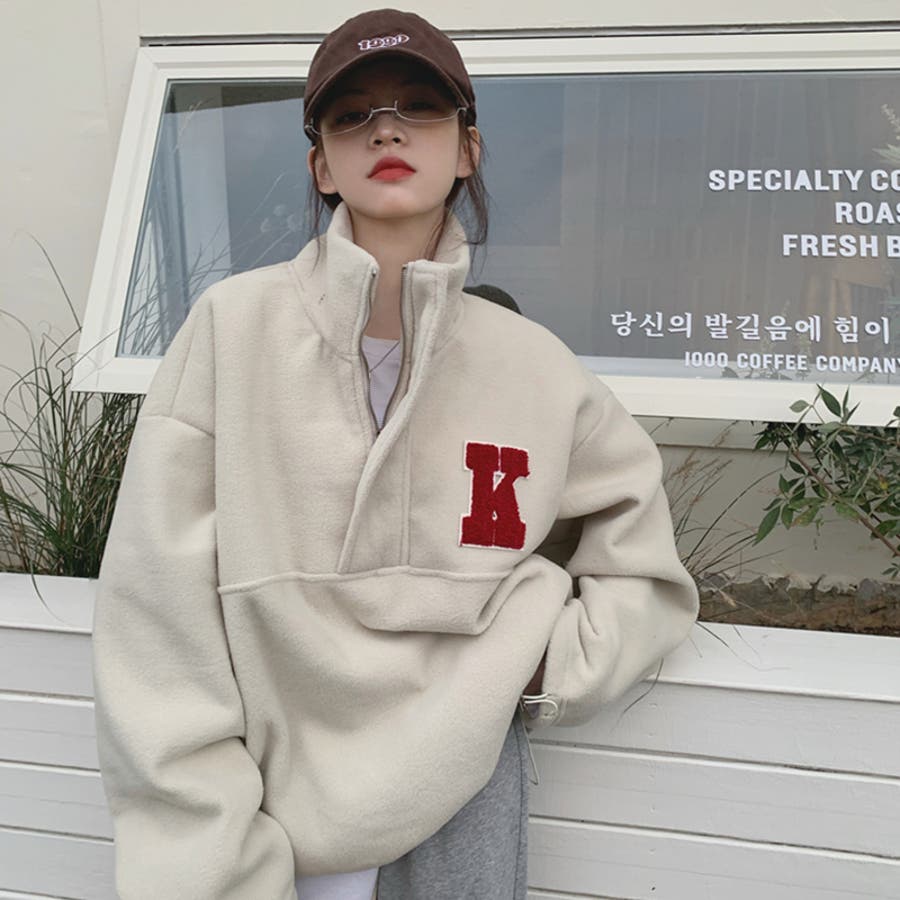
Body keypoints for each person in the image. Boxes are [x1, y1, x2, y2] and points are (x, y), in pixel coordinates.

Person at [91, 9, 699, 900]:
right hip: (261, 816)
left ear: (467, 149)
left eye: (419, 106)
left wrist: (534, 665)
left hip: (462, 800)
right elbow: (157, 622)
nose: (386, 130)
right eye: (352, 117)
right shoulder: (231, 330)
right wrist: (210, 855)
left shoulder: (534, 366)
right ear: (320, 166)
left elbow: (642, 566)